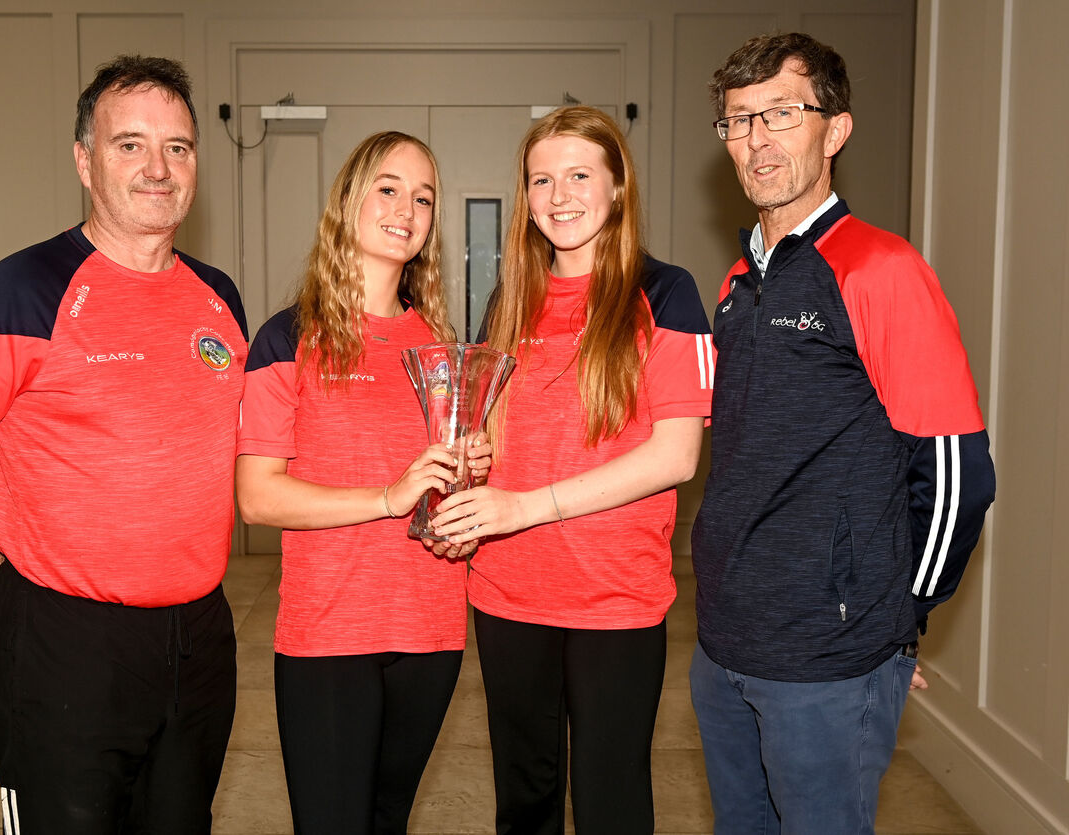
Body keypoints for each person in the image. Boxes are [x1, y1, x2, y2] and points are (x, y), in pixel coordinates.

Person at [0, 55, 247, 833]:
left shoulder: (218, 297)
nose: (158, 168)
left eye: (178, 147)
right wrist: (10, 571)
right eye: (130, 145)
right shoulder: (18, 292)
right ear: (85, 160)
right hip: (65, 641)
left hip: (200, 639)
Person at [690, 32, 997, 834]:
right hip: (723, 645)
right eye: (738, 119)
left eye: (781, 114)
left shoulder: (878, 269)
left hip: (824, 665)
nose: (757, 139)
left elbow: (958, 474)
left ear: (835, 129)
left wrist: (897, 621)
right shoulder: (736, 284)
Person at [429, 106, 714, 833]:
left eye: (580, 175)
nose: (559, 196)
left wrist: (525, 506)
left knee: (610, 796)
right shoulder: (508, 298)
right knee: (524, 797)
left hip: (613, 598)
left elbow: (676, 455)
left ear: (618, 188)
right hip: (506, 591)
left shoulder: (668, 293)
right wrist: (470, 468)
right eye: (541, 179)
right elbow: (493, 436)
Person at [235, 131, 486, 834]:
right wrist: (387, 495)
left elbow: (440, 487)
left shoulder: (440, 347)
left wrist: (468, 471)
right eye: (388, 187)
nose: (407, 207)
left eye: (424, 196)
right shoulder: (286, 338)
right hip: (329, 633)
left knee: (387, 821)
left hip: (431, 629)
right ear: (347, 200)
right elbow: (257, 496)